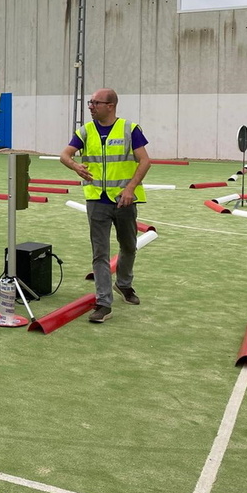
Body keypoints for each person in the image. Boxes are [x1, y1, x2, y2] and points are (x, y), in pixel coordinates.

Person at [60, 89, 151, 324]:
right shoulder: (85, 131)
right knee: (100, 253)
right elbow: (65, 154)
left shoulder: (130, 129)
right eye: (90, 102)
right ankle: (103, 303)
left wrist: (130, 189)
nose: (90, 106)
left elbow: (145, 160)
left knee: (128, 246)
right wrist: (75, 166)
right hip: (96, 201)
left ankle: (124, 284)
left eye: (95, 103)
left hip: (124, 200)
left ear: (110, 105)